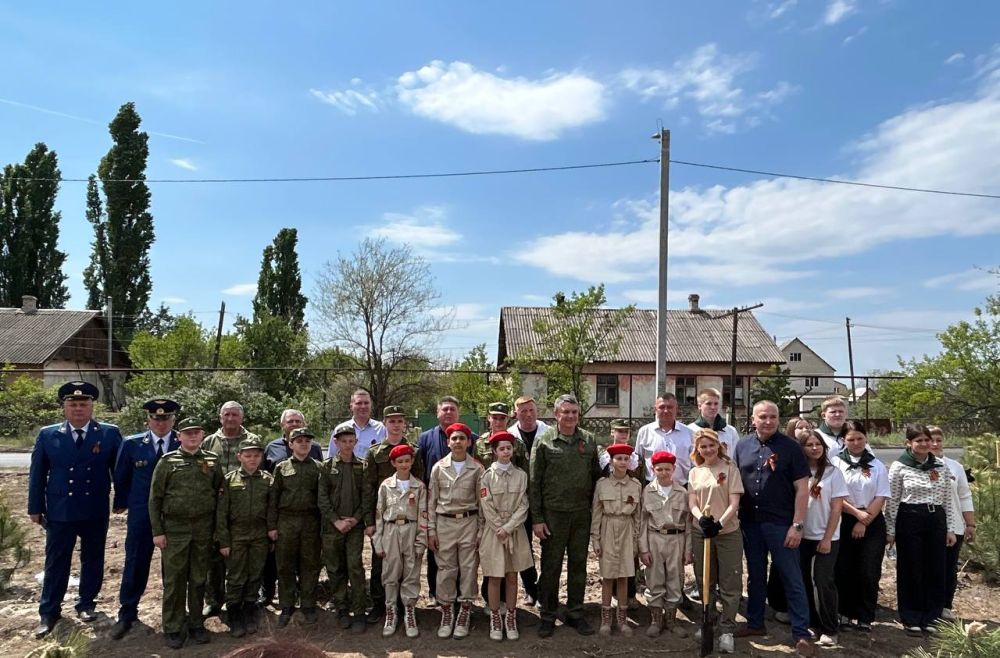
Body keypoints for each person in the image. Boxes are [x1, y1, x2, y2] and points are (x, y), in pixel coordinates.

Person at [28, 381, 123, 639]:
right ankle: (49, 612)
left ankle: (86, 603)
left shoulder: (109, 433)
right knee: (56, 561)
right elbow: (38, 473)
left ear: (92, 406)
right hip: (60, 510)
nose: (78, 409)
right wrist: (35, 507)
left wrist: (121, 499)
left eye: (84, 404)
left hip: (94, 508)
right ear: (64, 407)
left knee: (93, 559)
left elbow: (119, 470)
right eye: (73, 404)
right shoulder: (48, 434)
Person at [734, 401, 815, 657]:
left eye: (773, 417)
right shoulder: (742, 445)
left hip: (781, 524)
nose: (768, 421)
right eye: (763, 417)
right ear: (753, 419)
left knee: (791, 577)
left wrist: (797, 525)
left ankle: (801, 632)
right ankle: (755, 622)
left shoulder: (791, 448)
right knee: (756, 576)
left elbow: (802, 490)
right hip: (750, 523)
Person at [148, 417, 224, 650]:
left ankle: (195, 623)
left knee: (199, 578)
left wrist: (217, 530)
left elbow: (219, 496)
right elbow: (155, 499)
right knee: (175, 580)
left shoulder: (212, 461)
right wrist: (158, 532)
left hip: (203, 529)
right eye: (187, 433)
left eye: (196, 433)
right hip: (175, 530)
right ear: (179, 436)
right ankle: (173, 626)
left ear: (202, 436)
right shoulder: (167, 462)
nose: (192, 437)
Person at [530, 393, 601, 638]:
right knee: (550, 567)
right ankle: (548, 615)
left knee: (579, 565)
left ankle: (575, 613)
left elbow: (596, 477)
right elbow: (534, 482)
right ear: (556, 414)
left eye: (574, 412)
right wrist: (537, 518)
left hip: (581, 514)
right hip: (553, 516)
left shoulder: (589, 440)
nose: (570, 416)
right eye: (566, 412)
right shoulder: (544, 441)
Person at [110, 398, 180, 640]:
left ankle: (173, 619)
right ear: (148, 420)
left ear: (173, 419)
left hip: (173, 516)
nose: (161, 423)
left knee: (173, 569)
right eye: (156, 418)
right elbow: (121, 477)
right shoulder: (132, 444)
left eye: (166, 418)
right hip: (141, 516)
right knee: (135, 564)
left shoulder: (183, 443)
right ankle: (127, 614)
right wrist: (121, 503)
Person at [885, 424, 957, 635]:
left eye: (927, 440)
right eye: (919, 441)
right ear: (909, 443)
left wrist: (950, 528)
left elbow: (947, 500)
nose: (925, 444)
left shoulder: (941, 466)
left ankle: (932, 616)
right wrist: (891, 530)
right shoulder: (900, 466)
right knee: (912, 567)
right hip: (910, 519)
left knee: (936, 568)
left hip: (936, 519)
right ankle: (911, 616)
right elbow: (893, 500)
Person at [362, 405, 425, 624]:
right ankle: (380, 606)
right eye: (392, 421)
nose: (396, 425)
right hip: (385, 520)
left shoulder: (414, 451)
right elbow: (368, 488)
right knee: (381, 563)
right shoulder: (375, 452)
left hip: (408, 517)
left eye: (400, 421)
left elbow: (420, 485)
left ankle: (404, 607)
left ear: (404, 423)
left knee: (408, 564)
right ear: (385, 423)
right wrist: (369, 522)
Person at [202, 401, 262, 617]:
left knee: (243, 560)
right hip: (216, 507)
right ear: (220, 417)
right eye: (226, 414)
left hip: (245, 508)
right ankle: (213, 600)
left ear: (242, 418)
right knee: (214, 557)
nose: (230, 418)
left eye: (235, 415)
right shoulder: (209, 442)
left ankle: (244, 601)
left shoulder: (252, 441)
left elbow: (259, 473)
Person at [259, 409, 322, 609]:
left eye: (307, 441)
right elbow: (272, 498)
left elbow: (323, 499)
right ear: (290, 444)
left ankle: (308, 604)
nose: (303, 444)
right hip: (286, 522)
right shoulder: (281, 468)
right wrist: (271, 526)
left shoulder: (319, 468)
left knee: (309, 565)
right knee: (285, 566)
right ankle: (287, 605)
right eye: (299, 441)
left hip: (311, 522)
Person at [688, 428, 743, 654]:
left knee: (730, 582)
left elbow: (735, 502)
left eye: (711, 445)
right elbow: (692, 501)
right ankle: (707, 622)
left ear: (718, 445)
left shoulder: (730, 469)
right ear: (697, 449)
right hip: (701, 533)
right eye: (703, 446)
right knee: (705, 580)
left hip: (727, 532)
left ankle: (727, 629)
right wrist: (702, 520)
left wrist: (719, 523)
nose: (708, 449)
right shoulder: (695, 472)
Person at [418, 395, 478, 602]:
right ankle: (437, 595)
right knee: (439, 558)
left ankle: (464, 599)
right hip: (439, 506)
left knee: (466, 562)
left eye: (452, 408)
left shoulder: (474, 439)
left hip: (466, 511)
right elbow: (420, 468)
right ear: (437, 412)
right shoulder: (425, 438)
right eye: (444, 409)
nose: (448, 412)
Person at [428, 422, 484, 639]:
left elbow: (482, 503)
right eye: (454, 438)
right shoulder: (438, 468)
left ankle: (465, 611)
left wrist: (480, 531)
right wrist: (431, 531)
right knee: (446, 568)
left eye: (462, 438)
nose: (458, 442)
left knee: (469, 568)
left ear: (469, 442)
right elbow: (431, 502)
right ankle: (447, 612)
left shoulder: (478, 469)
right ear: (447, 442)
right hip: (445, 524)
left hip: (469, 522)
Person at [832, 423, 889, 633]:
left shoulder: (877, 465)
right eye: (851, 440)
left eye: (860, 439)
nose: (856, 443)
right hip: (844, 518)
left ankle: (865, 616)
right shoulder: (835, 463)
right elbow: (835, 494)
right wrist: (856, 515)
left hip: (872, 521)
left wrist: (863, 521)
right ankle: (844, 613)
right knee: (844, 569)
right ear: (844, 441)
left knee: (868, 571)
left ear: (866, 440)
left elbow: (881, 495)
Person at [794, 430, 848, 647]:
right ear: (802, 448)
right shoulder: (798, 471)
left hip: (826, 537)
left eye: (818, 444)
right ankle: (811, 624)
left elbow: (836, 509)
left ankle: (830, 627)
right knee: (804, 580)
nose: (814, 448)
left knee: (823, 581)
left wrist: (827, 538)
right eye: (809, 445)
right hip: (802, 536)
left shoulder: (833, 473)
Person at [216, 437, 272, 638]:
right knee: (236, 576)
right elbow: (221, 513)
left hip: (259, 535)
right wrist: (224, 541)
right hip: (236, 535)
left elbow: (272, 509)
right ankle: (234, 613)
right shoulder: (229, 480)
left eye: (256, 455)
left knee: (255, 573)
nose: (252, 459)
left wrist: (271, 531)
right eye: (248, 455)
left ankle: (250, 608)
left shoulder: (267, 480)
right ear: (239, 456)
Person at [478, 431, 532, 641]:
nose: (506, 452)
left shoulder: (521, 475)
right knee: (494, 576)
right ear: (494, 451)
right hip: (494, 533)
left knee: (511, 575)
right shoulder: (486, 476)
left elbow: (523, 505)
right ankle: (495, 617)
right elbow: (486, 504)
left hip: (514, 531)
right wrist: (499, 527)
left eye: (509, 448)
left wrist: (508, 527)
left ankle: (510, 615)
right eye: (501, 448)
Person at [373, 443, 427, 638]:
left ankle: (409, 612)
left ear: (412, 461)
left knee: (411, 571)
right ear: (394, 463)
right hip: (391, 530)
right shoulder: (386, 486)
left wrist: (421, 540)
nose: (404, 465)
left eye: (407, 461)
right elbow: (379, 514)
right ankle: (391, 612)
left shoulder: (419, 486)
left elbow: (423, 515)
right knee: (391, 571)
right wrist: (378, 542)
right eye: (400, 461)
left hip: (411, 529)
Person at [318, 423, 367, 633]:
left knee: (355, 568)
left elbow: (367, 497)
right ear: (336, 443)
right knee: (335, 569)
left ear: (356, 442)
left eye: (351, 441)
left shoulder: (363, 466)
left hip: (354, 527)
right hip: (332, 528)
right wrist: (336, 521)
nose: (347, 445)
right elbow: (322, 498)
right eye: (343, 441)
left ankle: (359, 611)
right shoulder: (327, 467)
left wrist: (355, 520)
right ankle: (341, 608)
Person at [591, 443, 642, 637]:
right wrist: (595, 539)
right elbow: (596, 513)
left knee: (624, 575)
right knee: (608, 576)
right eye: (618, 458)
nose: (622, 462)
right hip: (608, 529)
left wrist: (637, 540)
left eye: (625, 459)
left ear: (630, 462)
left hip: (627, 530)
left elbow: (638, 516)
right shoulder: (602, 484)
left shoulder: (635, 486)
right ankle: (606, 618)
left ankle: (622, 618)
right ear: (611, 461)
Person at [928, 426, 976, 621]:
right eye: (931, 440)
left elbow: (964, 495)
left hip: (954, 525)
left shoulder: (954, 466)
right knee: (928, 567)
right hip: (928, 525)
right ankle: (926, 606)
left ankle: (945, 605)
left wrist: (970, 524)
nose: (935, 444)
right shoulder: (916, 466)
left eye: (939, 440)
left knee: (948, 568)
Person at [505, 395, 546, 606]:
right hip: (519, 500)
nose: (528, 414)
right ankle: (531, 589)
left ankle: (546, 589)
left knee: (548, 544)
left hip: (544, 499)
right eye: (523, 411)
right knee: (524, 546)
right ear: (516, 413)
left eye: (531, 410)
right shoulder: (509, 436)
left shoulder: (548, 433)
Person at [636, 392, 695, 486]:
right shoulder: (644, 432)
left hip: (682, 488)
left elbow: (695, 464)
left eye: (670, 407)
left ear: (676, 409)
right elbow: (637, 462)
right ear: (655, 409)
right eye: (662, 407)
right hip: (653, 490)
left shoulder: (689, 433)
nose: (666, 410)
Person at [331, 389, 387, 460]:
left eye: (366, 403)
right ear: (351, 406)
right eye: (359, 403)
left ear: (371, 405)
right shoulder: (340, 429)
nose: (363, 406)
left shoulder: (381, 428)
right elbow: (331, 457)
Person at [688, 388, 741, 456]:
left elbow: (736, 457)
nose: (713, 407)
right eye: (708, 404)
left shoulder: (730, 431)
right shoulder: (690, 430)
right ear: (699, 406)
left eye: (716, 404)